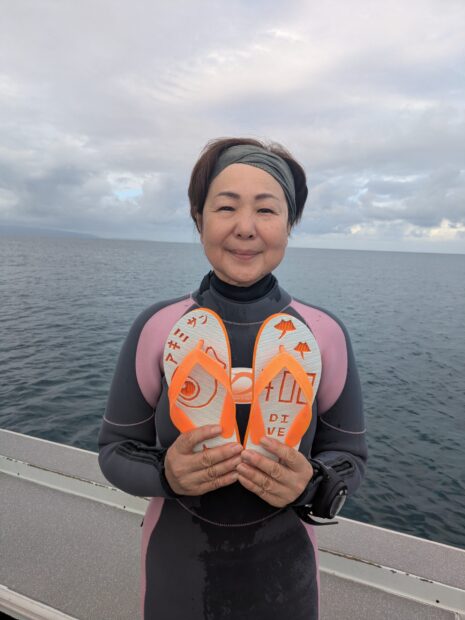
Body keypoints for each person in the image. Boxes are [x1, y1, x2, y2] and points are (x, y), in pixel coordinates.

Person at [98, 137, 367, 620]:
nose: (245, 227)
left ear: (289, 224)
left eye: (266, 210)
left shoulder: (322, 334)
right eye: (226, 207)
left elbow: (350, 456)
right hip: (177, 576)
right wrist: (166, 474)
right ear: (198, 218)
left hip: (286, 580)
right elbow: (115, 450)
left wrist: (311, 484)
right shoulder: (159, 328)